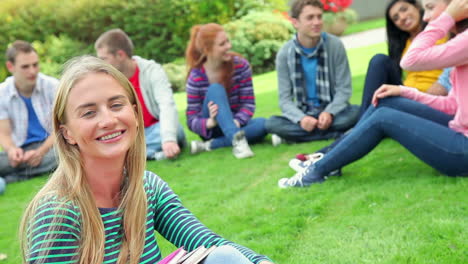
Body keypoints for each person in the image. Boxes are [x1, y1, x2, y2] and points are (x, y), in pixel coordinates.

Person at [19, 56, 274, 264]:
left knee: (224, 258)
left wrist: (260, 262)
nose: (108, 120)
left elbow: (206, 242)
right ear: (67, 133)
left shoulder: (147, 187)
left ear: (135, 113)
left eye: (116, 105)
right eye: (88, 112)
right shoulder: (58, 212)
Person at [277, 0, 468, 188]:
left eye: (430, 8)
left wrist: (447, 18)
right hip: (457, 130)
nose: (426, 17)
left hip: (463, 149)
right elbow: (452, 105)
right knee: (386, 102)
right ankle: (328, 159)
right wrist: (404, 91)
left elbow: (410, 61)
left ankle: (316, 172)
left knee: (383, 118)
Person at [265, 0, 360, 146]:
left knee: (356, 112)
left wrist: (329, 112)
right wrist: (301, 119)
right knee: (271, 123)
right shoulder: (284, 53)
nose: (317, 22)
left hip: (332, 113)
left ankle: (294, 137)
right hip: (304, 113)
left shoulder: (335, 45)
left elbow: (344, 90)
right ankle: (338, 133)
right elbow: (285, 100)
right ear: (295, 23)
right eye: (310, 18)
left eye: (319, 16)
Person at [95, 29, 186, 160]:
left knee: (175, 129)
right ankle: (150, 154)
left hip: (155, 130)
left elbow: (167, 105)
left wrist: (169, 139)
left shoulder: (152, 71)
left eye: (104, 59)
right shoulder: (105, 80)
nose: (101, 64)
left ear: (120, 55)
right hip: (128, 134)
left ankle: (129, 155)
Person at [185, 23, 267, 159]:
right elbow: (192, 119)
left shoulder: (240, 66)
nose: (229, 46)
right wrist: (211, 122)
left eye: (228, 41)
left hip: (237, 124)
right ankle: (239, 143)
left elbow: (248, 104)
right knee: (216, 89)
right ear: (207, 50)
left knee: (263, 124)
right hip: (213, 128)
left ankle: (208, 146)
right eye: (222, 44)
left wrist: (236, 122)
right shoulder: (196, 77)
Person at [0, 40, 58, 184]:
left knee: (65, 156)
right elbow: (4, 133)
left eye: (35, 65)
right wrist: (12, 151)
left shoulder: (53, 86)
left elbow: (62, 128)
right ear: (10, 67)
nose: (32, 71)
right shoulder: (2, 92)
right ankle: (23, 172)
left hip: (50, 147)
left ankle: (13, 178)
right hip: (21, 151)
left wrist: (41, 152)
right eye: (25, 67)